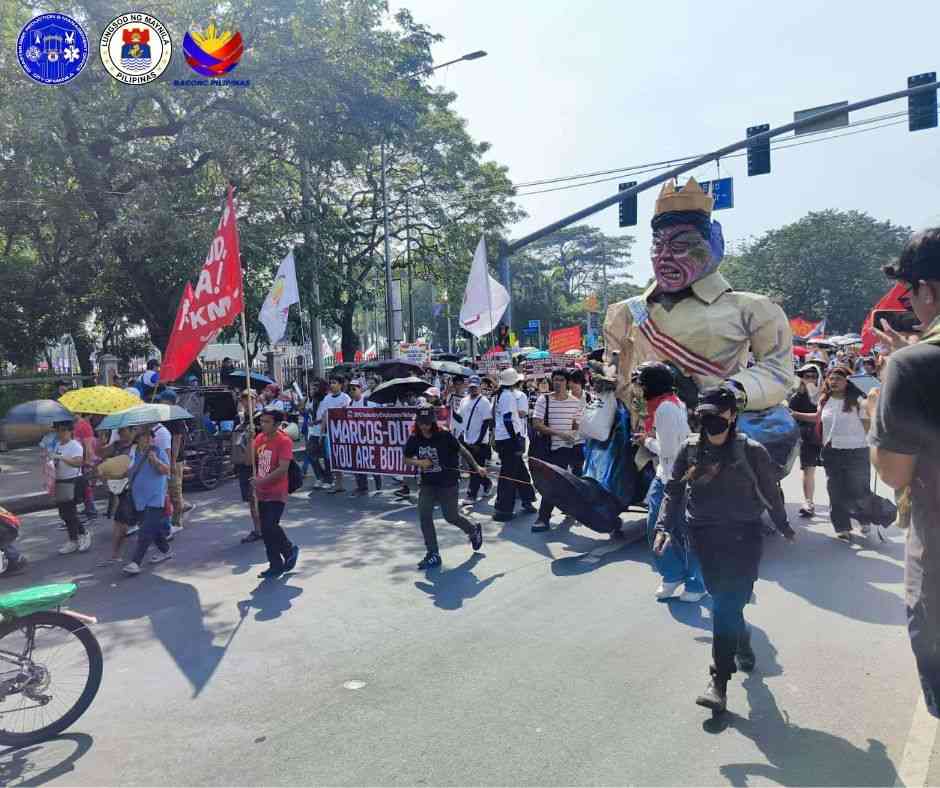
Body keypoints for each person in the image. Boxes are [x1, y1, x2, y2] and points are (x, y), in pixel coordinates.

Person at [598, 177, 795, 508]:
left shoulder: (753, 307)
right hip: (647, 416)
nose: (665, 257)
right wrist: (607, 380)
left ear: (714, 242)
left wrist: (732, 393)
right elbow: (615, 364)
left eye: (680, 246)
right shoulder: (626, 311)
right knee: (607, 424)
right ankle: (601, 493)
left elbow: (777, 369)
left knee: (770, 426)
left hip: (714, 416)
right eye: (658, 246)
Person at [654, 387, 795, 713]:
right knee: (724, 602)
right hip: (704, 535)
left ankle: (718, 681)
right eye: (704, 415)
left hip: (744, 536)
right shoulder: (689, 449)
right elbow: (673, 492)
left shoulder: (752, 451)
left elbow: (771, 493)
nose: (710, 420)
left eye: (717, 414)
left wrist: (783, 525)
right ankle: (741, 638)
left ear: (732, 415)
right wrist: (663, 527)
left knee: (727, 603)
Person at [869, 227, 940, 717]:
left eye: (909, 291)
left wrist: (879, 405)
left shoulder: (914, 366)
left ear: (928, 290)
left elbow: (895, 474)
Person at [633, 362, 703, 600]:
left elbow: (670, 451)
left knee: (675, 531)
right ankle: (673, 576)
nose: (639, 387)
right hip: (667, 475)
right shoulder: (673, 402)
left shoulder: (664, 409)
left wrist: (646, 442)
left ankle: (695, 583)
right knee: (662, 529)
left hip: (674, 479)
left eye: (642, 383)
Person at [404, 409, 485, 570]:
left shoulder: (444, 435)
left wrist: (476, 467)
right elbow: (406, 458)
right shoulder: (415, 438)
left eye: (427, 423)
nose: (424, 426)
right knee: (424, 515)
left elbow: (463, 450)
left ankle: (473, 530)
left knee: (451, 516)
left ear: (433, 422)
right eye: (421, 423)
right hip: (428, 483)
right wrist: (420, 463)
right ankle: (433, 554)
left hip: (448, 483)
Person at [819, 365, 884, 541]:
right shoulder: (824, 400)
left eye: (839, 378)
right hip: (832, 451)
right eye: (831, 378)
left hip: (857, 450)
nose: (834, 381)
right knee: (835, 489)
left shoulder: (858, 400)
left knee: (859, 489)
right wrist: (794, 414)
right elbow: (818, 419)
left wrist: (873, 402)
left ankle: (864, 520)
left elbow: (869, 421)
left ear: (848, 381)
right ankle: (841, 526)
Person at [531, 369, 584, 532]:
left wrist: (573, 435)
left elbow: (577, 425)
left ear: (567, 382)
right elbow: (536, 424)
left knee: (553, 482)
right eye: (555, 379)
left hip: (566, 448)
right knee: (553, 482)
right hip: (547, 448)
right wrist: (559, 433)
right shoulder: (543, 400)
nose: (557, 382)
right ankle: (568, 508)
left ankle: (543, 517)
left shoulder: (576, 402)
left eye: (561, 379)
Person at [252, 408, 300, 579]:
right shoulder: (259, 438)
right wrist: (248, 438)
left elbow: (283, 469)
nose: (262, 424)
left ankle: (288, 550)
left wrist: (262, 481)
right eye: (261, 421)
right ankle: (276, 564)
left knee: (270, 525)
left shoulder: (284, 441)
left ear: (277, 424)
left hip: (277, 491)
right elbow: (249, 460)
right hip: (261, 490)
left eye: (266, 422)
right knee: (266, 530)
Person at [122, 427, 172, 575]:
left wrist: (154, 460)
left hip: (155, 498)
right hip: (139, 498)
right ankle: (165, 550)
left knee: (144, 531)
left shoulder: (158, 451)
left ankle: (135, 562)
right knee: (152, 529)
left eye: (151, 436)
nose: (149, 439)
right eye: (145, 437)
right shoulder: (133, 453)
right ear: (138, 439)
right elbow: (127, 472)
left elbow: (166, 470)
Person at [491, 368, 537, 521]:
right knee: (508, 475)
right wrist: (515, 438)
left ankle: (527, 498)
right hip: (509, 438)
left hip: (504, 437)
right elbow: (507, 419)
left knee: (519, 469)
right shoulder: (507, 396)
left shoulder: (500, 395)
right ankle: (503, 509)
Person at [97, 425, 139, 566]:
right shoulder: (116, 446)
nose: (121, 433)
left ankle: (161, 546)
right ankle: (115, 555)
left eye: (124, 430)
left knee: (147, 523)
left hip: (137, 489)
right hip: (122, 490)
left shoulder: (139, 446)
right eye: (119, 431)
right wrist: (102, 440)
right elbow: (101, 454)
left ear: (133, 431)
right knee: (120, 522)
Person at [788, 363, 824, 517]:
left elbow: (821, 415)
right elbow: (789, 415)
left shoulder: (826, 394)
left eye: (813, 376)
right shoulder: (797, 396)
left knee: (835, 472)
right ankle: (808, 502)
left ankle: (840, 505)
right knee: (808, 469)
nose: (810, 379)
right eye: (806, 376)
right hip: (807, 437)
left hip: (827, 436)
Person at [51, 420, 91, 554]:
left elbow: (78, 463)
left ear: (70, 431)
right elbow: (56, 461)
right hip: (60, 481)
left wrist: (61, 458)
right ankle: (73, 540)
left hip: (73, 481)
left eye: (64, 430)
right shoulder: (57, 445)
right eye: (58, 430)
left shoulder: (75, 445)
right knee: (64, 514)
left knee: (70, 512)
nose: (61, 433)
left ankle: (83, 534)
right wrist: (52, 462)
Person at [156, 389, 190, 534]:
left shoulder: (175, 417)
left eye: (163, 400)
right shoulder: (161, 415)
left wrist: (172, 461)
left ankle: (177, 521)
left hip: (174, 459)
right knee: (167, 491)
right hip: (163, 457)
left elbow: (177, 440)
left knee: (175, 491)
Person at [457, 375, 493, 505]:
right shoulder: (464, 400)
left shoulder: (484, 401)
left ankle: (471, 495)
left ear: (480, 387)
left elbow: (486, 422)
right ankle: (487, 483)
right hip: (467, 439)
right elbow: (460, 417)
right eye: (471, 387)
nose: (473, 389)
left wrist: (479, 440)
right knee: (474, 467)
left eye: (475, 387)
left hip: (479, 442)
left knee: (474, 469)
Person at [234, 392, 263, 543]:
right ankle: (257, 529)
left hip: (259, 462)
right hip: (244, 463)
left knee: (259, 498)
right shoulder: (240, 419)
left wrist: (256, 433)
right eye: (244, 399)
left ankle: (265, 528)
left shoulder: (261, 417)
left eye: (249, 399)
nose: (246, 402)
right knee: (251, 499)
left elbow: (268, 438)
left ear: (255, 400)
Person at [317, 375, 351, 493]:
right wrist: (322, 434)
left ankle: (360, 485)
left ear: (341, 385)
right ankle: (338, 484)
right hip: (330, 433)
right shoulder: (327, 399)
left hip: (342, 432)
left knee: (342, 457)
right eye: (330, 382)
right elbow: (324, 416)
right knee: (332, 459)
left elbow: (348, 414)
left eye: (334, 382)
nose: (332, 385)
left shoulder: (345, 398)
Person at [349, 380, 382, 497]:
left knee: (372, 463)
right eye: (350, 389)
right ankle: (362, 487)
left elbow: (379, 414)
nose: (352, 391)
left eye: (354, 389)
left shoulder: (368, 401)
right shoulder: (350, 404)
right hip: (357, 438)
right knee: (358, 463)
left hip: (370, 437)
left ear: (360, 389)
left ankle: (378, 486)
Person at [72, 412, 99, 521]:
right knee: (84, 487)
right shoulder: (80, 425)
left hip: (84, 462)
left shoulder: (83, 426)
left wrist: (88, 462)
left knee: (86, 487)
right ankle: (89, 508)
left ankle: (91, 511)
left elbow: (88, 447)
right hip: (80, 461)